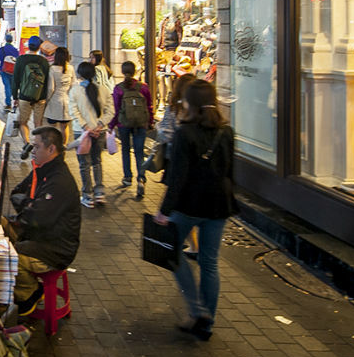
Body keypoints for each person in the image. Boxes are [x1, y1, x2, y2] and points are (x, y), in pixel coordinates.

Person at [154, 79, 237, 341]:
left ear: (190, 102)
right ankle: (206, 324)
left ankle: (197, 309)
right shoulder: (227, 131)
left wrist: (164, 211)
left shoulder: (184, 133)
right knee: (209, 263)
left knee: (174, 254)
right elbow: (230, 171)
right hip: (219, 203)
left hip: (190, 203)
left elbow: (177, 177)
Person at [4, 126, 82, 316]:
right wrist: (31, 205)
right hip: (36, 233)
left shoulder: (59, 181)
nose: (32, 151)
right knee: (0, 225)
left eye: (36, 146)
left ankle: (30, 293)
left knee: (7, 256)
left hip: (55, 248)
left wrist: (29, 208)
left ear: (51, 149)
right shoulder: (42, 170)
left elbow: (39, 218)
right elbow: (16, 193)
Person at [70, 60, 114, 207]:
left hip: (82, 133)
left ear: (79, 75)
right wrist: (99, 125)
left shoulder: (75, 91)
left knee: (84, 164)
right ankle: (100, 193)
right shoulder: (104, 89)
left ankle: (87, 195)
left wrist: (86, 127)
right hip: (99, 132)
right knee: (97, 161)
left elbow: (74, 111)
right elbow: (111, 111)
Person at [110, 60, 154, 199]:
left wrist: (112, 125)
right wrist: (150, 121)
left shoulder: (118, 89)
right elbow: (149, 106)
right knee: (139, 152)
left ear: (123, 72)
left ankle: (127, 177)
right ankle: (141, 179)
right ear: (135, 71)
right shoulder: (144, 87)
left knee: (125, 150)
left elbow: (116, 109)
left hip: (124, 124)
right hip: (141, 123)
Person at [13, 36, 51, 160]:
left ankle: (27, 143)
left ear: (28, 46)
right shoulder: (44, 61)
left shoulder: (21, 59)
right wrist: (44, 97)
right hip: (40, 97)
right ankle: (37, 147)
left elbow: (16, 79)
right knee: (38, 123)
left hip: (24, 96)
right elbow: (47, 81)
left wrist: (15, 96)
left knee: (22, 122)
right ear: (39, 47)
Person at [43, 46, 74, 144]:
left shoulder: (52, 68)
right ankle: (64, 145)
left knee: (52, 126)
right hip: (67, 100)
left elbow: (51, 88)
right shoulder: (70, 68)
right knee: (65, 126)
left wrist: (47, 100)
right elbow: (73, 85)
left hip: (55, 100)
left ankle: (54, 145)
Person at [0, 33, 19, 109]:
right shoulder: (16, 50)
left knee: (7, 86)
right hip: (14, 71)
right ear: (12, 40)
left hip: (4, 70)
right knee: (13, 87)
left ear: (5, 40)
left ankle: (8, 103)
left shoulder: (2, 49)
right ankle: (15, 102)